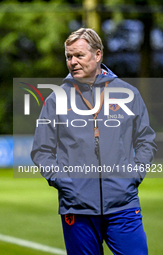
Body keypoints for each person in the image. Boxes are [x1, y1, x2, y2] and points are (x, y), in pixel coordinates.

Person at [31, 28, 157, 255]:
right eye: (69, 56)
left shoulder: (128, 93)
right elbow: (41, 150)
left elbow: (146, 140)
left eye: (79, 55)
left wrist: (134, 175)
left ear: (98, 55)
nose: (73, 62)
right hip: (77, 209)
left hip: (123, 206)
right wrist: (64, 182)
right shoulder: (55, 99)